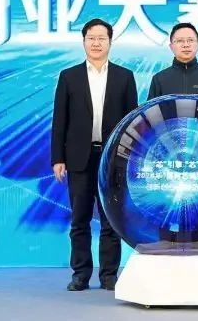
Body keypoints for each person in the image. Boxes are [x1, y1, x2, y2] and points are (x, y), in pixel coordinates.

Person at [51, 18, 138, 291]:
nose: (96, 43)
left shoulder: (124, 77)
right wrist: (58, 158)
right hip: (78, 157)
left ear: (110, 42)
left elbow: (132, 123)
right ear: (84, 41)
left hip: (112, 159)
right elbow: (59, 120)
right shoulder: (69, 76)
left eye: (102, 38)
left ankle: (109, 275)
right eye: (91, 38)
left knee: (111, 219)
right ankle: (80, 274)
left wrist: (129, 159)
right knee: (80, 220)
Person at [146, 22, 198, 101]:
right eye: (180, 41)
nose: (186, 45)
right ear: (171, 47)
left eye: (190, 40)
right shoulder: (159, 79)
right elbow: (150, 108)